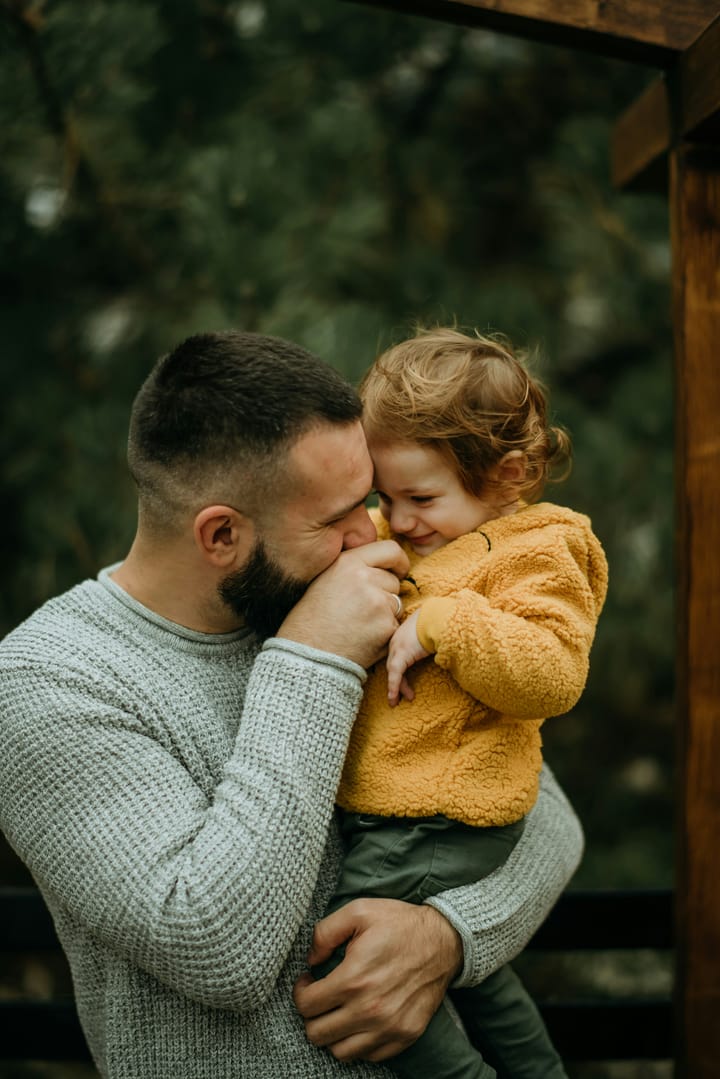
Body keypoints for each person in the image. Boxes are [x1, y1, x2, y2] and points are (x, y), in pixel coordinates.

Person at [0, 330, 584, 1079]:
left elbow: (547, 814)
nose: (374, 537)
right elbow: (218, 948)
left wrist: (449, 935)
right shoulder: (51, 680)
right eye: (337, 518)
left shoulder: (358, 592)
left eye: (370, 500)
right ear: (222, 534)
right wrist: (315, 655)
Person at [317, 327, 608, 1078]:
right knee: (475, 981)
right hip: (405, 809)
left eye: (421, 497)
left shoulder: (540, 550)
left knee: (354, 960)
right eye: (384, 495)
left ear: (507, 475)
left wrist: (447, 624)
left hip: (440, 815)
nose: (400, 517)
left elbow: (552, 674)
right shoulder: (407, 533)